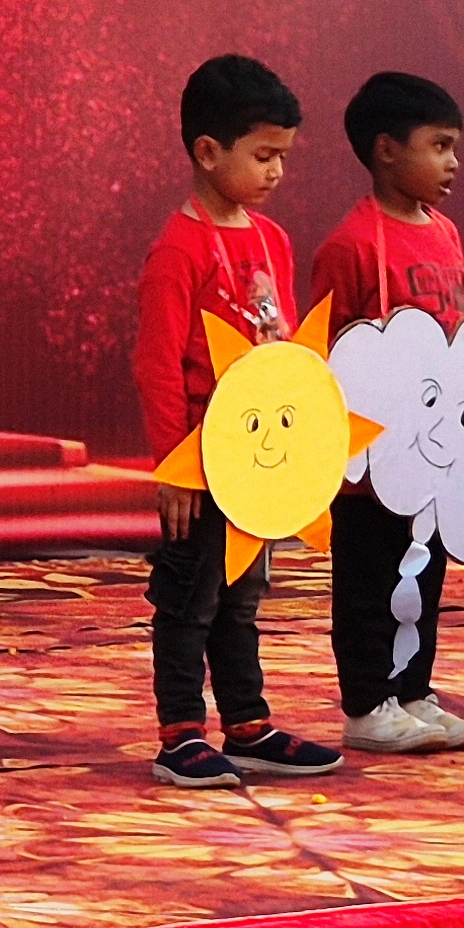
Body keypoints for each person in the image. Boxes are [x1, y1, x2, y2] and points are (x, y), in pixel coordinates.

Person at [135, 54, 342, 788]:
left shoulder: (270, 239)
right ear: (207, 151)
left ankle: (248, 724)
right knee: (189, 598)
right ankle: (179, 733)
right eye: (262, 156)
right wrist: (174, 469)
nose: (276, 171)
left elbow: (279, 347)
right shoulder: (177, 250)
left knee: (243, 596)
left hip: (257, 464)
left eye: (283, 156)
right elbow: (158, 366)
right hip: (200, 464)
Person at [307, 71, 464, 756]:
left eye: (454, 147)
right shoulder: (350, 245)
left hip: (431, 454)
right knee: (368, 581)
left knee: (423, 574)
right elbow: (326, 352)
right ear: (386, 150)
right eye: (438, 146)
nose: (452, 162)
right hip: (370, 461)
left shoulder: (445, 233)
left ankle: (413, 692)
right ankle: (366, 704)